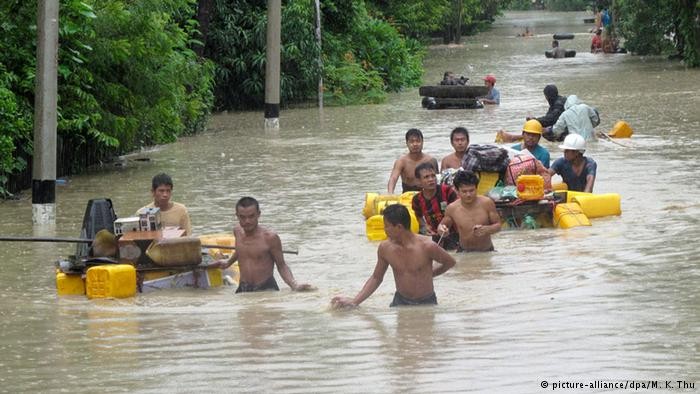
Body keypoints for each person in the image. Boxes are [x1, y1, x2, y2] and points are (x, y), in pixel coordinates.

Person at [331, 204, 456, 308]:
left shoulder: (427, 246)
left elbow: (450, 262)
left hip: (426, 302)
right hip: (400, 301)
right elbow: (376, 277)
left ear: (399, 227)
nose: (385, 230)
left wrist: (432, 273)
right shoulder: (385, 248)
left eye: (386, 226)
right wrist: (354, 301)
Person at [217, 197, 313, 293]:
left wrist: (294, 285)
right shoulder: (237, 231)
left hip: (266, 288)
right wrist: (229, 262)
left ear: (258, 215)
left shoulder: (270, 238)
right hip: (243, 287)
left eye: (251, 216)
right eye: (242, 217)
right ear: (237, 216)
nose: (247, 221)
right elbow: (241, 250)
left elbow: (281, 265)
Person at [437, 171, 501, 252]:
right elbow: (443, 226)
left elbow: (498, 225)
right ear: (456, 191)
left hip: (486, 251)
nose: (468, 195)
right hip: (464, 251)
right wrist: (442, 229)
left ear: (476, 188)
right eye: (464, 191)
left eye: (471, 190)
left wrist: (487, 229)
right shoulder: (452, 208)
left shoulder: (487, 203)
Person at [411, 162, 460, 250]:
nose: (431, 179)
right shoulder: (417, 199)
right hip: (434, 235)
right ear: (418, 181)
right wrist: (424, 227)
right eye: (426, 177)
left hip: (454, 233)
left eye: (433, 176)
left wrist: (445, 225)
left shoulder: (448, 191)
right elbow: (418, 216)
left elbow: (458, 211)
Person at [387, 128, 439, 194]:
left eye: (418, 141)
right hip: (407, 195)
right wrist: (390, 193)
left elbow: (437, 181)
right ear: (407, 143)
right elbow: (393, 178)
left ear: (422, 142)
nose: (415, 144)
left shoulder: (431, 160)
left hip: (427, 195)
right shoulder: (401, 162)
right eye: (412, 141)